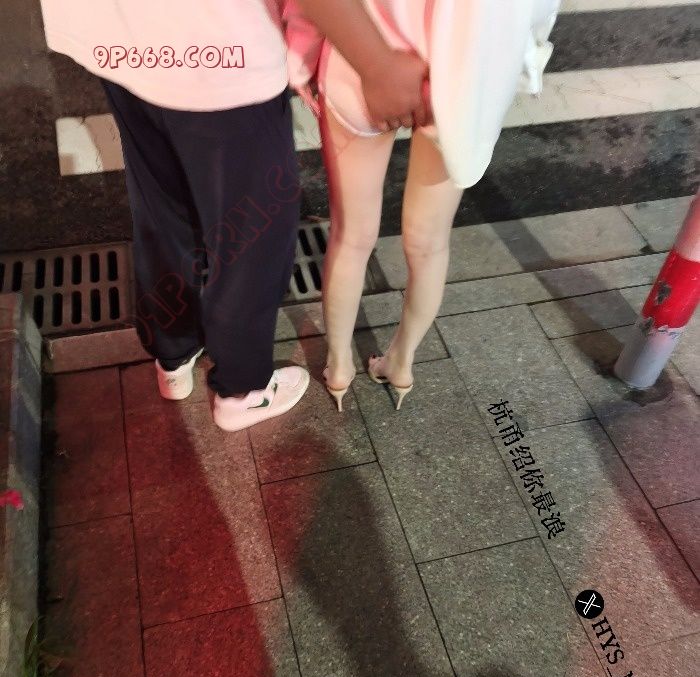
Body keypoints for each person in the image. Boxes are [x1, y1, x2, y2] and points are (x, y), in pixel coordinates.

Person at [39, 0, 431, 431]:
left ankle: (173, 355)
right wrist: (376, 64)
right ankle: (243, 390)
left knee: (162, 206)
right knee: (253, 235)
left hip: (117, 34)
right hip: (221, 46)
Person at [287, 0, 560, 411]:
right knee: (429, 243)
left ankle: (339, 366)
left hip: (363, 59)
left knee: (352, 236)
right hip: (461, 82)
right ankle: (401, 363)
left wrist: (302, 57)